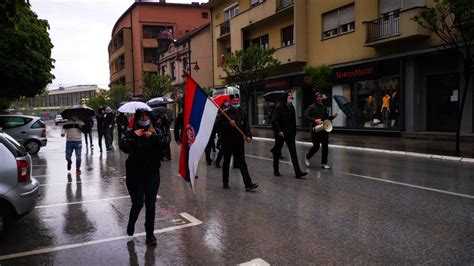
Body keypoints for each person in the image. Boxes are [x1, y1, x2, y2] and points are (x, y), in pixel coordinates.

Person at [119, 108, 163, 246]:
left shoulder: (156, 131)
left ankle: (150, 234)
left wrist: (152, 137)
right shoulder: (130, 132)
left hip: (152, 172)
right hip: (135, 173)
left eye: (146, 117)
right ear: (137, 118)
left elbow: (164, 143)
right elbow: (124, 146)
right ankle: (131, 223)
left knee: (151, 204)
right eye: (141, 117)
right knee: (138, 203)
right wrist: (135, 137)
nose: (144, 119)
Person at [221, 94, 258, 191]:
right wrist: (228, 124)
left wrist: (248, 136)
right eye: (234, 101)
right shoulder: (225, 113)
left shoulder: (242, 113)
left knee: (242, 162)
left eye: (237, 100)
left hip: (239, 141)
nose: (236, 102)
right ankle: (225, 181)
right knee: (227, 161)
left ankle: (248, 183)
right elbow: (220, 127)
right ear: (230, 102)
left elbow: (246, 126)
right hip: (228, 141)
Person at [271, 91, 308, 179]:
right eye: (290, 95)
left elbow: (293, 121)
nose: (291, 97)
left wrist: (294, 132)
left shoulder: (292, 107)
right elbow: (274, 120)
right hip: (281, 134)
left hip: (290, 134)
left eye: (291, 96)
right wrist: (279, 131)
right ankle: (276, 169)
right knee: (277, 152)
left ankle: (298, 172)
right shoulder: (279, 107)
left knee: (294, 153)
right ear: (285, 97)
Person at [304, 92, 338, 169]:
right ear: (316, 99)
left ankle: (324, 163)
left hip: (323, 128)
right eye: (318, 97)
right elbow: (306, 116)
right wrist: (314, 120)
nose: (319, 98)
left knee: (325, 147)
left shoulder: (324, 107)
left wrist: (332, 116)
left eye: (320, 97)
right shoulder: (312, 107)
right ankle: (307, 157)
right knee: (316, 147)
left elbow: (326, 118)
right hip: (316, 129)